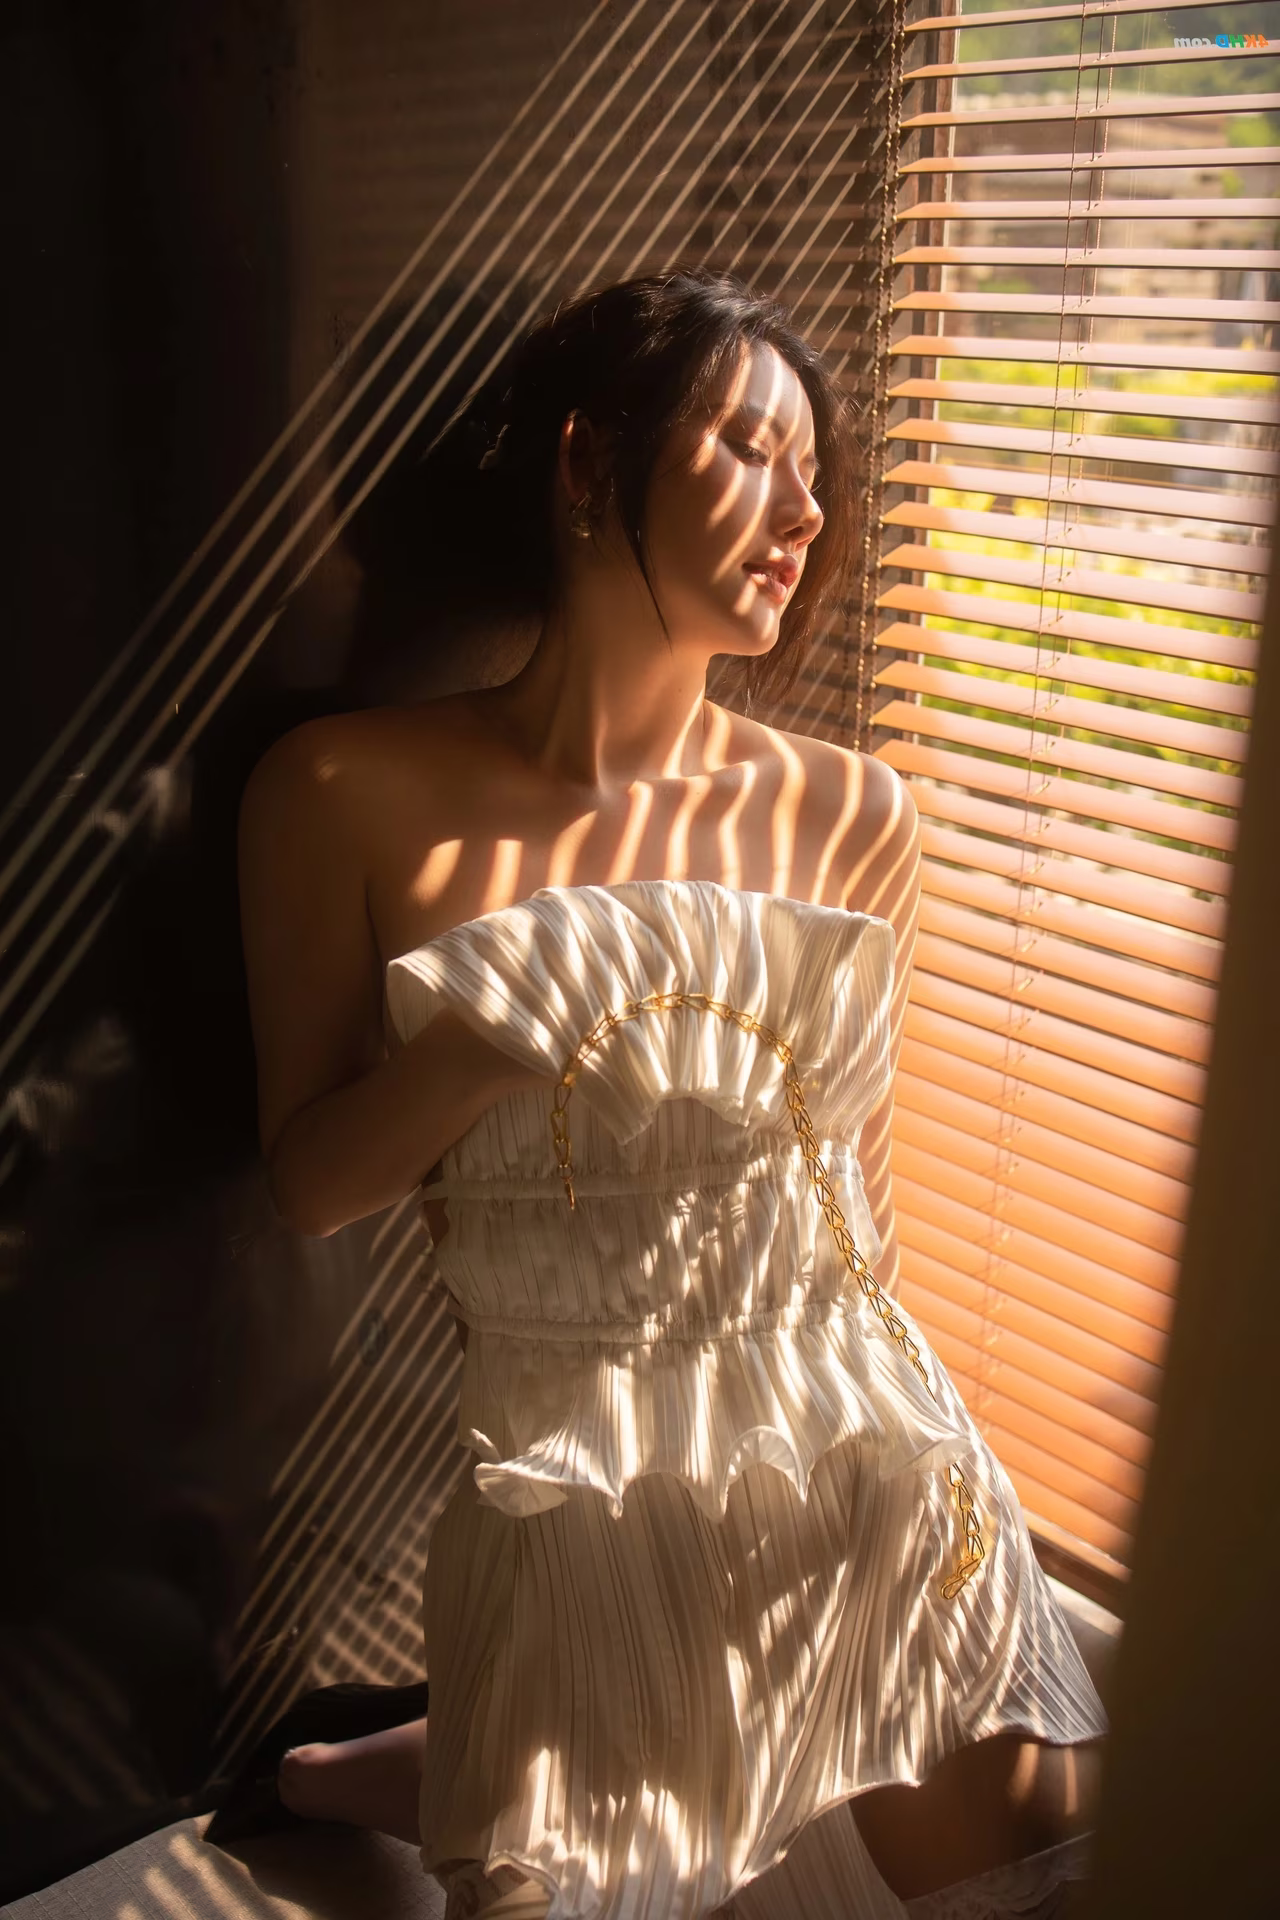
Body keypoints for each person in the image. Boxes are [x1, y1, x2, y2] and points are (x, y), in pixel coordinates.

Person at [226, 270, 1107, 1918]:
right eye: (752, 449)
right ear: (588, 463)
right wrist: (491, 1039)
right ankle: (387, 1767)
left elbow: (858, 1206)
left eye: (817, 474)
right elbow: (311, 1183)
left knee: (1044, 1864)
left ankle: (460, 1756)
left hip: (854, 1453)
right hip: (575, 1479)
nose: (807, 512)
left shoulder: (853, 814)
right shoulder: (346, 792)